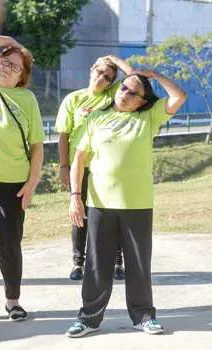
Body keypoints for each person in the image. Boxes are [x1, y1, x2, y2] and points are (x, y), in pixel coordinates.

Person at [66, 71, 187, 337]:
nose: (124, 94)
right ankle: (88, 318)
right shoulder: (96, 118)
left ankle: (143, 316)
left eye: (133, 92)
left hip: (137, 204)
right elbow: (79, 160)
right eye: (123, 88)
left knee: (139, 263)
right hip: (99, 203)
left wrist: (154, 75)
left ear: (142, 101)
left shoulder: (148, 118)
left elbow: (179, 96)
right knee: (97, 263)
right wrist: (76, 197)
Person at [56, 55, 133, 281]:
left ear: (111, 83)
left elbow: (133, 76)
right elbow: (63, 135)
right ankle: (78, 262)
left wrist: (113, 59)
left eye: (107, 77)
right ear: (91, 69)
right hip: (80, 167)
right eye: (99, 72)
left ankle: (117, 262)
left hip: (107, 167)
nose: (101, 78)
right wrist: (63, 165)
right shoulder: (73, 99)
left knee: (111, 215)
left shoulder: (112, 96)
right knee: (79, 214)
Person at [0, 36, 44, 321]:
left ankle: (13, 301)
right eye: (4, 61)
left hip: (13, 184)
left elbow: (38, 145)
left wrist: (31, 183)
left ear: (22, 77)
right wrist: (13, 41)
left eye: (15, 67)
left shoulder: (26, 99)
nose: (8, 68)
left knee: (9, 243)